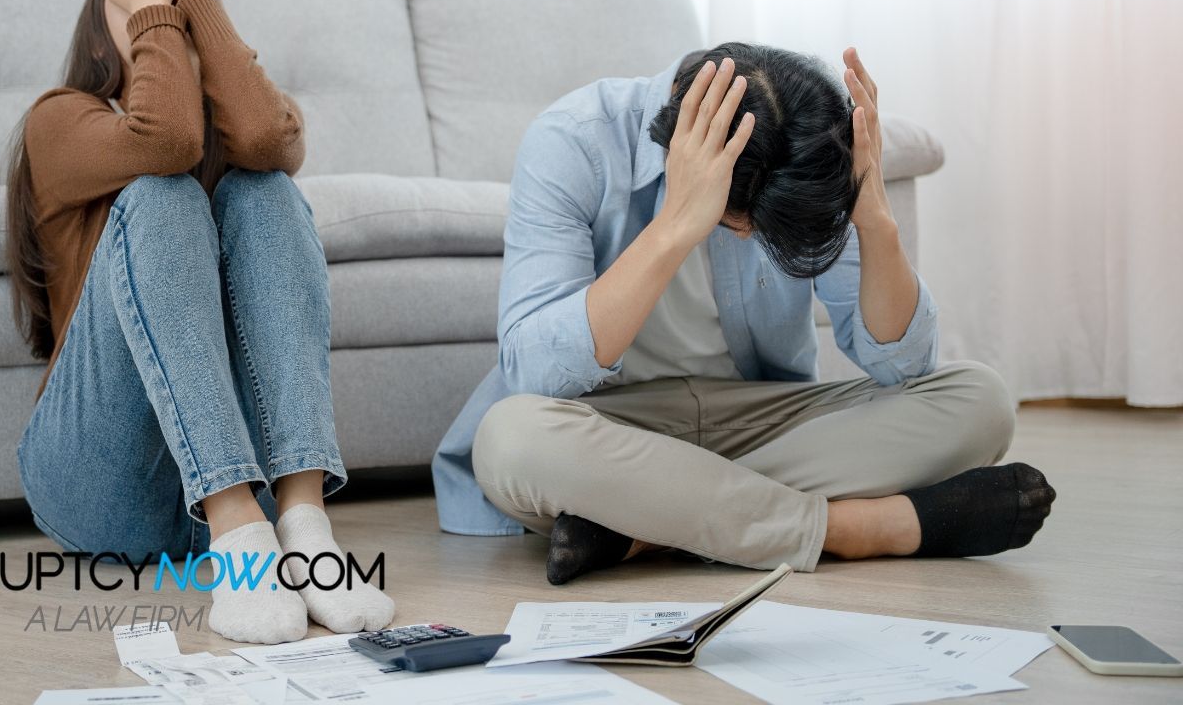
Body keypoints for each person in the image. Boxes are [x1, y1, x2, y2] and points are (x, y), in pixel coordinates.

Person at [433, 43, 1056, 583]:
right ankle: (857, 528)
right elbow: (535, 375)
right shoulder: (573, 139)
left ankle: (646, 524)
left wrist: (873, 215)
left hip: (758, 416)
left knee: (979, 399)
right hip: (603, 424)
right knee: (510, 440)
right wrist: (677, 222)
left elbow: (905, 366)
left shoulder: (802, 152)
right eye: (746, 223)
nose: (753, 236)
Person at [5, 0, 394, 642]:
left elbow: (271, 144)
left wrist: (202, 5)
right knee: (163, 196)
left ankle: (304, 529)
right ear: (109, 26)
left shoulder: (244, 126)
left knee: (266, 191)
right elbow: (165, 142)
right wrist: (155, 1)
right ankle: (239, 535)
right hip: (100, 484)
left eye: (184, 20)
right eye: (150, 16)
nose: (168, 31)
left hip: (257, 482)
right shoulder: (57, 120)